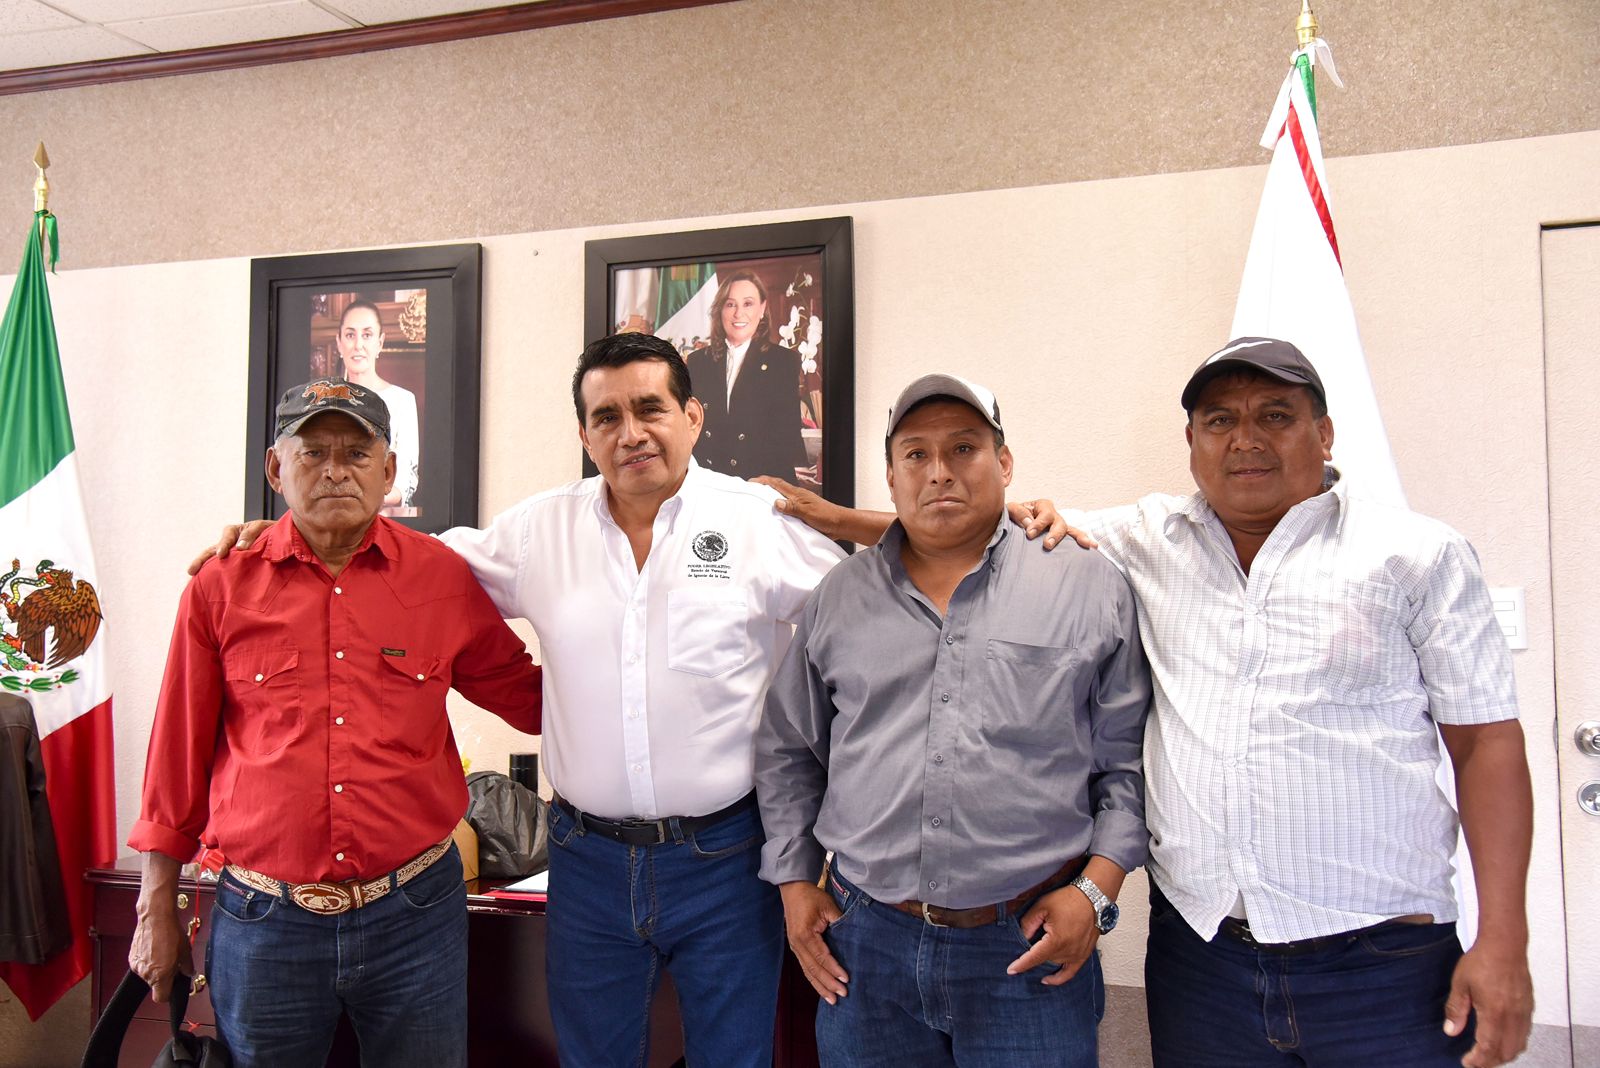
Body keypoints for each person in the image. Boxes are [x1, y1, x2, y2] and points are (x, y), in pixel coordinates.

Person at [196, 336, 1076, 1065]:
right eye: (607, 417)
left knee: (734, 1056)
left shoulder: (755, 525)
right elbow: (395, 558)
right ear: (585, 435)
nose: (632, 433)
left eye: (651, 409)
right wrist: (284, 532)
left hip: (728, 859)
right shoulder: (538, 532)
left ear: (693, 417)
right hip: (585, 863)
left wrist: (999, 520)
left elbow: (894, 579)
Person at [766, 337, 1535, 1068]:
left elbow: (1487, 744)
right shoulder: (1147, 538)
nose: (1245, 439)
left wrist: (1503, 939)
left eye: (1275, 415)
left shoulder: (1416, 555)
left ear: (1325, 432)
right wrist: (833, 521)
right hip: (1201, 957)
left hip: (1382, 958)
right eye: (1220, 420)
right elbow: (958, 526)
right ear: (1192, 441)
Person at [130, 379, 542, 1068]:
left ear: (388, 471)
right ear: (276, 469)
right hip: (264, 923)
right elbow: (176, 754)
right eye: (313, 452)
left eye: (356, 453)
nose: (335, 471)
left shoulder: (441, 578)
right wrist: (154, 905)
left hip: (416, 916)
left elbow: (533, 700)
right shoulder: (220, 586)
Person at [755, 373, 1151, 1067]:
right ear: (892, 475)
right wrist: (793, 880)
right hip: (865, 945)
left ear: (1005, 463)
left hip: (1028, 946)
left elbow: (1129, 763)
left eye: (964, 448)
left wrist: (1097, 891)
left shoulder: (1087, 585)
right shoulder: (837, 598)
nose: (939, 471)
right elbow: (789, 750)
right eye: (916, 454)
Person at [687, 269, 809, 480]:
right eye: (730, 304)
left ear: (762, 309)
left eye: (748, 304)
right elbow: (689, 431)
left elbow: (786, 438)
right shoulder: (698, 361)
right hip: (710, 483)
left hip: (762, 484)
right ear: (720, 310)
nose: (738, 314)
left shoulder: (783, 362)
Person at [336, 299, 420, 511]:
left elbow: (405, 481)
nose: (358, 345)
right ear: (339, 342)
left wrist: (360, 497)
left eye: (367, 335)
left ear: (380, 342)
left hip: (384, 514)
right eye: (350, 335)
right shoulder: (324, 401)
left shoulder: (403, 400)